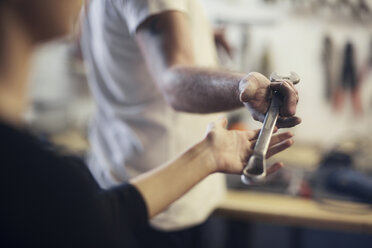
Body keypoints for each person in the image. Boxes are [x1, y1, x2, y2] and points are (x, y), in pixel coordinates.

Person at [0, 0, 295, 247]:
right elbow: (173, 81)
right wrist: (244, 87)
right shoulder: (38, 180)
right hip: (161, 205)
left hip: (123, 187)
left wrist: (198, 35)